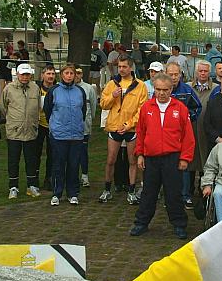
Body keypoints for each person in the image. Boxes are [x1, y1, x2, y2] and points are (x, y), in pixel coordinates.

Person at [130, 73, 194, 239]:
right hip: (151, 158)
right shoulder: (146, 108)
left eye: (165, 90)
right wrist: (140, 154)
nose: (161, 93)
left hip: (172, 158)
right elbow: (141, 132)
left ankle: (179, 224)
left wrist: (185, 158)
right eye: (158, 89)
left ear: (171, 89)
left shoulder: (180, 108)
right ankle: (141, 222)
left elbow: (188, 136)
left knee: (174, 193)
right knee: (148, 192)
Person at [99, 55, 147, 204]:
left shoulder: (140, 85)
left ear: (131, 67)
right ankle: (107, 189)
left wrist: (129, 124)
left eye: (124, 66)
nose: (121, 69)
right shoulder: (112, 84)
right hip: (114, 127)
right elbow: (103, 104)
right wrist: (112, 96)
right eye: (119, 66)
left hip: (131, 129)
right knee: (110, 160)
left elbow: (142, 109)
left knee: (132, 161)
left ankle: (131, 191)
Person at [43, 63, 86, 206]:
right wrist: (55, 126)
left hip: (76, 135)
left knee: (74, 165)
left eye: (71, 73)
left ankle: (72, 193)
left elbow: (83, 111)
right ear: (61, 75)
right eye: (66, 73)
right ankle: (57, 193)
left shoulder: (80, 91)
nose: (69, 76)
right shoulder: (54, 91)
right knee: (58, 165)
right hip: (59, 135)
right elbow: (48, 110)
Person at [2, 64, 42, 199]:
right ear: (17, 74)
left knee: (31, 160)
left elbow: (38, 106)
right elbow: (4, 107)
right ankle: (13, 187)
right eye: (23, 74)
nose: (25, 77)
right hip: (14, 131)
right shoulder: (9, 88)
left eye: (27, 74)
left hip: (30, 130)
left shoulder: (35, 88)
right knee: (13, 160)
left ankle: (32, 185)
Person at [166, 61, 202, 206]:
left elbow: (197, 107)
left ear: (181, 75)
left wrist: (187, 118)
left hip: (183, 134)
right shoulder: (162, 90)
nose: (174, 77)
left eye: (176, 74)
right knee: (167, 166)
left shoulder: (187, 90)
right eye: (171, 74)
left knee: (184, 164)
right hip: (166, 135)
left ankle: (185, 195)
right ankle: (169, 196)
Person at [189, 60, 214, 197]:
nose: (203, 73)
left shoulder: (216, 88)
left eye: (205, 71)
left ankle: (204, 192)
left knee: (206, 161)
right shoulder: (188, 87)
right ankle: (188, 192)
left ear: (209, 72)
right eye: (200, 71)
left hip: (207, 131)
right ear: (196, 72)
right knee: (190, 162)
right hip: (190, 130)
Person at [75, 67, 98, 189]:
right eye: (74, 73)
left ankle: (84, 176)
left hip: (84, 125)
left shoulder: (89, 88)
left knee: (83, 151)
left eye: (79, 73)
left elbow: (93, 106)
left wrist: (90, 120)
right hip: (70, 127)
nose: (76, 75)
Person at [35, 65, 57, 190]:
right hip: (39, 124)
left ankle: (49, 178)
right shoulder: (36, 88)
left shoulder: (57, 89)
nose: (50, 76)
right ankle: (34, 178)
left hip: (53, 125)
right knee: (36, 152)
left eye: (53, 74)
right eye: (48, 74)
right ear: (42, 75)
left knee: (52, 153)